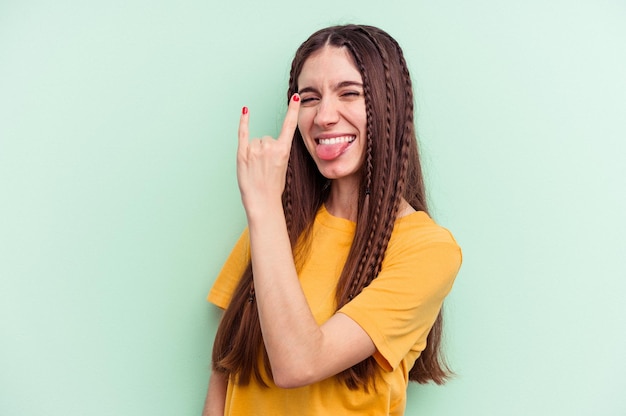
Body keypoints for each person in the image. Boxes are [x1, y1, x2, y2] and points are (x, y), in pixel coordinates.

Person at [202, 24, 462, 416]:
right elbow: (225, 367)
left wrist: (264, 206)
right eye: (309, 98)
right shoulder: (278, 221)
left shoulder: (429, 250)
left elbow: (298, 364)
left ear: (388, 105)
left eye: (349, 93)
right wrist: (269, 210)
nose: (324, 116)